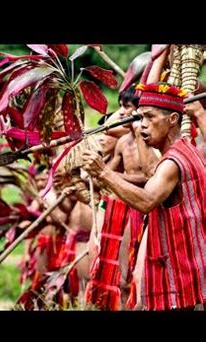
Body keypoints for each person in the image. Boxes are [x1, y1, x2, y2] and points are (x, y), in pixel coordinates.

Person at [83, 82, 206, 310]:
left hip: (179, 270)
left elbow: (147, 201)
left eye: (150, 118)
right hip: (189, 264)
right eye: (140, 118)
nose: (142, 126)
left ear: (172, 120)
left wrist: (103, 172)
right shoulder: (187, 151)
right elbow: (150, 176)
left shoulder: (172, 163)